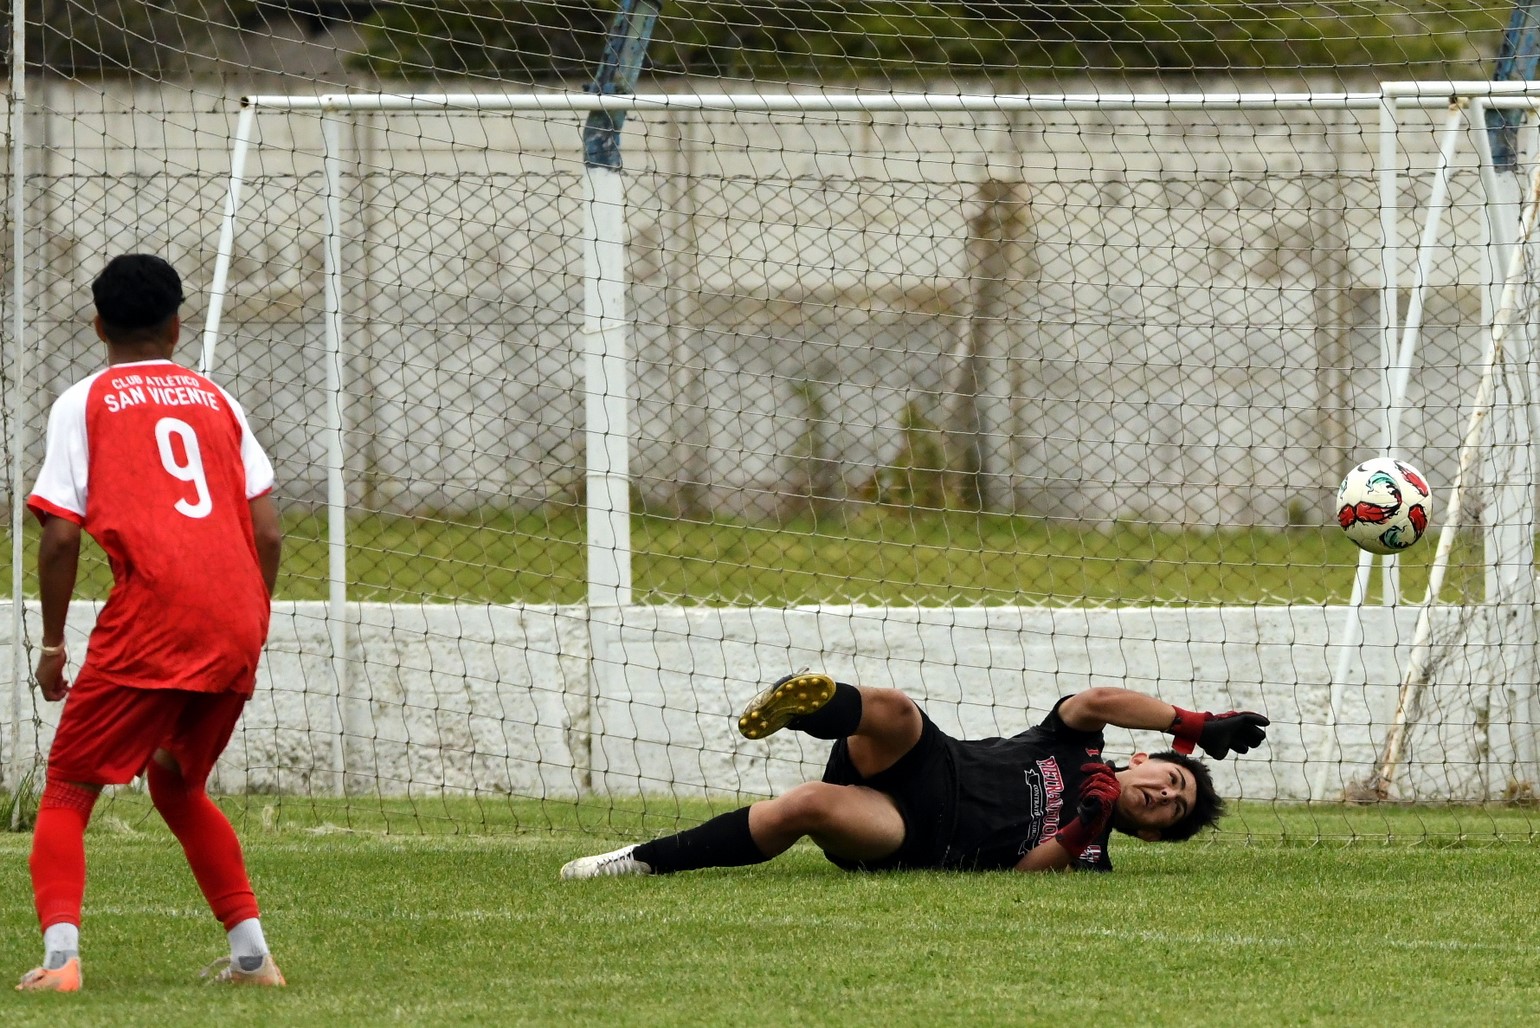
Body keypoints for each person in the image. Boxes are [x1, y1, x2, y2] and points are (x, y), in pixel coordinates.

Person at [17, 254, 285, 991]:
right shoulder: (218, 399)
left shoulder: (84, 401)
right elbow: (267, 532)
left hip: (152, 616)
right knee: (175, 783)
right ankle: (253, 958)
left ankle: (61, 964)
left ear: (98, 325)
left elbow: (61, 538)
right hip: (236, 617)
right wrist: (249, 619)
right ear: (177, 327)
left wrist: (52, 644)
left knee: (68, 788)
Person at [561, 671, 1269, 878]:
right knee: (896, 709)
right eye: (1173, 781)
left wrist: (1087, 823)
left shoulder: (1092, 853)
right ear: (1144, 758)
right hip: (933, 762)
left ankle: (637, 861)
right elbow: (1096, 700)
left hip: (917, 834)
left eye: (1172, 809)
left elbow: (1025, 875)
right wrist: (1195, 725)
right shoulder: (1075, 746)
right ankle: (804, 711)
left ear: (1151, 834)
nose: (1163, 795)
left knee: (807, 804)